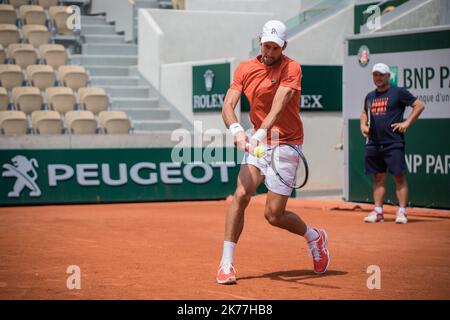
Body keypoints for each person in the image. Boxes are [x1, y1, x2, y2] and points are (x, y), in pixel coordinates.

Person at [217, 20, 330, 285]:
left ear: (283, 47)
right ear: (260, 42)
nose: (270, 52)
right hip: (260, 143)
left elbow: (279, 105)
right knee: (242, 193)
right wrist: (236, 130)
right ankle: (226, 263)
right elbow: (228, 104)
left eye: (275, 48)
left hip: (287, 142)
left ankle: (314, 236)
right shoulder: (245, 68)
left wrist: (255, 135)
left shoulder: (292, 68)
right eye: (267, 45)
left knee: (274, 215)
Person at [360, 63, 425, 224]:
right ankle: (378, 211)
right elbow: (364, 113)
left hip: (393, 142)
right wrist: (363, 125)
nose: (378, 78)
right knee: (378, 177)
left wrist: (407, 122)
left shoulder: (398, 92)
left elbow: (419, 105)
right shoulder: (370, 96)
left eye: (381, 75)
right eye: (375, 75)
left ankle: (402, 211)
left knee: (399, 177)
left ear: (388, 76)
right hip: (374, 143)